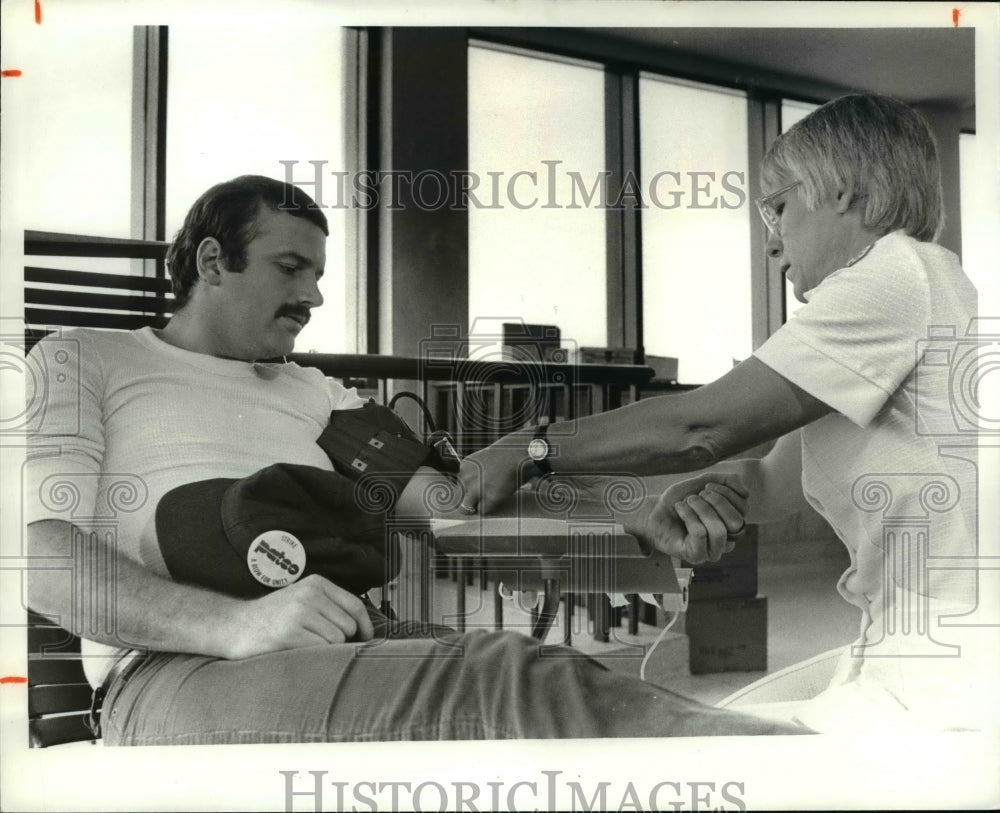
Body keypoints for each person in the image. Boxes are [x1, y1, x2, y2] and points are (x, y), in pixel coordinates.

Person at [25, 174, 804, 745]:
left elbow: (455, 507)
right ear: (211, 261)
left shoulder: (314, 391)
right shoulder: (81, 360)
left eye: (320, 276)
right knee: (504, 684)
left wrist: (641, 513)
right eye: (289, 268)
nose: (313, 298)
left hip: (346, 636)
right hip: (173, 671)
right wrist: (236, 624)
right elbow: (40, 560)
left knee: (542, 675)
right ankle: (809, 778)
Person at [461, 93, 994, 733]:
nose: (773, 243)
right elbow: (770, 481)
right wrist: (686, 501)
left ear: (846, 191)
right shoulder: (905, 296)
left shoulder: (896, 273)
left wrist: (530, 446)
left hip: (949, 654)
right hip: (911, 639)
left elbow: (699, 428)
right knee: (719, 726)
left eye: (780, 208)